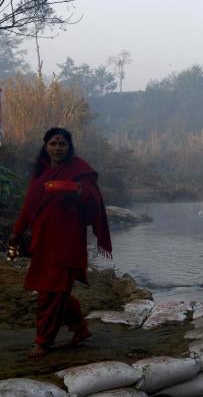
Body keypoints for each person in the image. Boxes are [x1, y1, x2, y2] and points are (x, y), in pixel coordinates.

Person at [8, 127, 111, 358]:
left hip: (67, 242)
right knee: (55, 291)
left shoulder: (79, 171)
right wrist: (16, 231)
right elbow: (28, 205)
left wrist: (77, 192)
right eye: (53, 143)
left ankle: (43, 341)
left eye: (62, 144)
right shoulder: (40, 173)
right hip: (43, 241)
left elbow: (93, 202)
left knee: (51, 294)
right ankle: (80, 329)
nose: (57, 148)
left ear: (69, 146)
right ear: (45, 146)